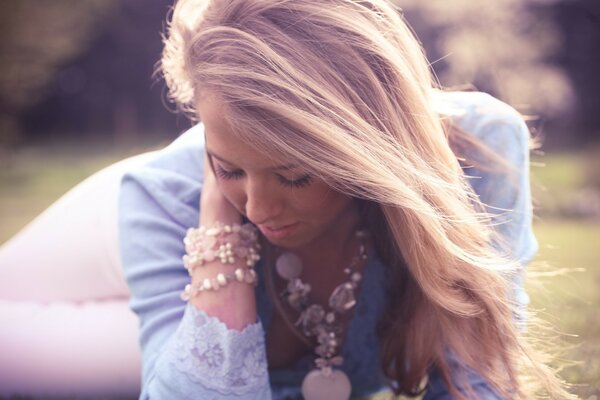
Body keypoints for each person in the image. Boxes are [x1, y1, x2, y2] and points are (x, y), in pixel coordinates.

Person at [120, 0, 570, 399]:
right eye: (229, 170)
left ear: (372, 142)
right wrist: (220, 240)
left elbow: (477, 378)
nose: (257, 211)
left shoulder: (480, 149)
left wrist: (236, 171)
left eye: (294, 177)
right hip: (91, 273)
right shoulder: (160, 195)